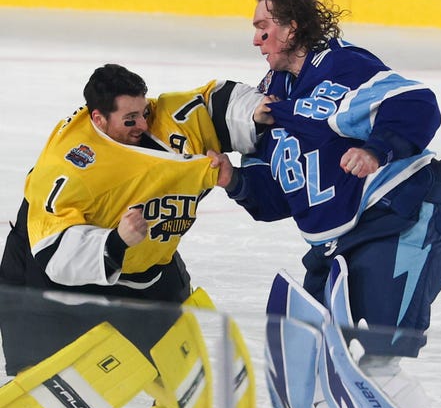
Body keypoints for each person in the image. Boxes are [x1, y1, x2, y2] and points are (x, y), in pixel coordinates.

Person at [209, 0, 441, 408]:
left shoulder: (342, 66)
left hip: (400, 217)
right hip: (339, 244)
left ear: (292, 27)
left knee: (379, 365)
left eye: (264, 26)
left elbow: (418, 103)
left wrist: (376, 149)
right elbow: (278, 194)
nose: (255, 38)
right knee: (318, 374)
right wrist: (235, 180)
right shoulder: (272, 93)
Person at [0, 63, 263, 303]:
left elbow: (211, 103)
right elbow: (52, 247)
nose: (142, 125)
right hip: (52, 278)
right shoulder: (71, 165)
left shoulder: (166, 122)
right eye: (130, 119)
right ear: (98, 119)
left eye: (144, 112)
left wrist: (255, 112)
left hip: (148, 268)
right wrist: (116, 242)